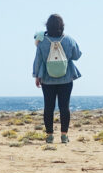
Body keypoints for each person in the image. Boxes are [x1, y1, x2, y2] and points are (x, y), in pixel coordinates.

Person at [32, 13, 82, 143]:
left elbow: (38, 60)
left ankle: (49, 136)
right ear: (62, 26)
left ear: (47, 25)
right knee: (64, 107)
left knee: (48, 107)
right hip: (66, 78)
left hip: (47, 79)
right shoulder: (69, 40)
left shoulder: (42, 41)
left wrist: (36, 75)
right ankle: (64, 136)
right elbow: (77, 55)